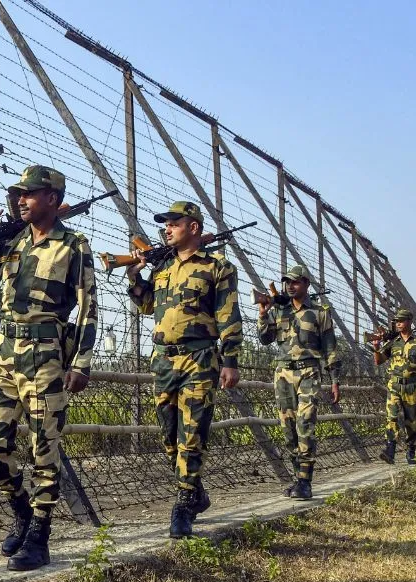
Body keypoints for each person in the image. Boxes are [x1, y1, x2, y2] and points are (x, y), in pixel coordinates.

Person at [0, 165, 97, 572]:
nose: (21, 199)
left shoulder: (73, 244)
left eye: (30, 193)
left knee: (44, 447)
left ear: (52, 200)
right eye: (19, 193)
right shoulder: (13, 241)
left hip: (46, 356)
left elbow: (88, 304)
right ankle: (21, 511)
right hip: (5, 355)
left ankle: (40, 533)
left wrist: (82, 363)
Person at [126, 200, 242, 537]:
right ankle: (197, 491)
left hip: (200, 359)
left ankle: (184, 501)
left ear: (193, 227)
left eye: (173, 223)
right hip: (163, 360)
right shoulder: (162, 268)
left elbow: (228, 315)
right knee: (169, 434)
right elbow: (147, 305)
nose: (166, 228)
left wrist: (230, 360)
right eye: (165, 224)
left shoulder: (217, 267)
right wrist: (135, 278)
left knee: (192, 433)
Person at [256, 265, 341, 499]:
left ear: (306, 284)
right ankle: (297, 478)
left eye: (295, 282)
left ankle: (305, 481)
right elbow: (264, 339)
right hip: (282, 374)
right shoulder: (278, 311)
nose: (290, 286)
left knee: (305, 424)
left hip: (309, 372)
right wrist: (263, 313)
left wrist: (334, 380)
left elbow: (330, 348)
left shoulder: (320, 313)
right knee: (288, 429)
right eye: (287, 282)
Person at [372, 309, 416, 464]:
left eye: (401, 320)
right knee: (391, 417)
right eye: (396, 321)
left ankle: (411, 451)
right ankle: (390, 450)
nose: (398, 324)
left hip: (412, 387)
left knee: (411, 421)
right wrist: (376, 347)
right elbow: (379, 361)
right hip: (394, 385)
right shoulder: (392, 343)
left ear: (409, 322)